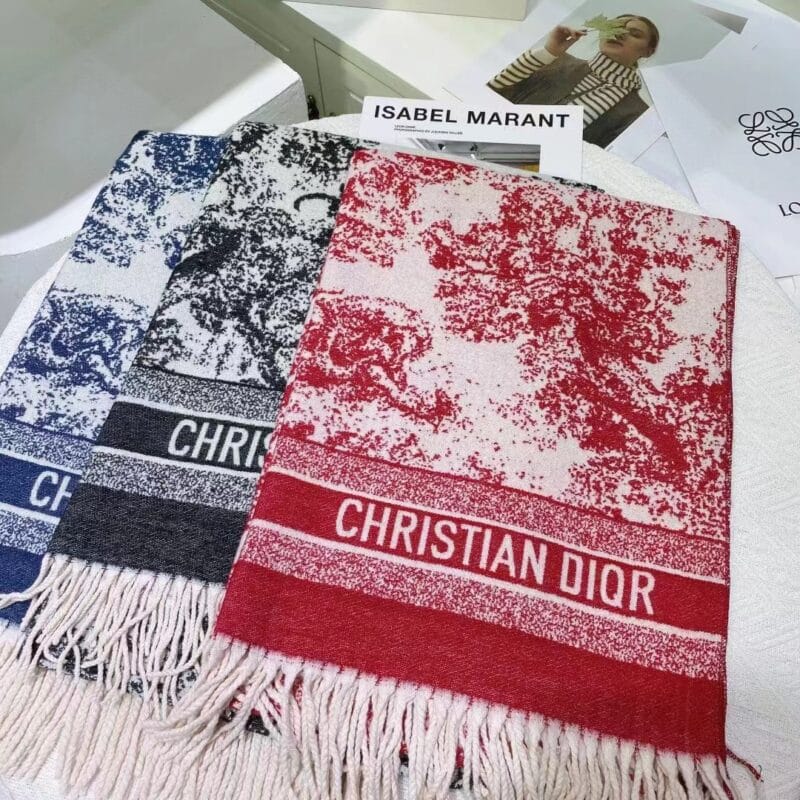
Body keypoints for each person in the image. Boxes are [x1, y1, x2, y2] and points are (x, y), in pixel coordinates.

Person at [488, 15, 659, 148]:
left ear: (648, 51)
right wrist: (549, 52)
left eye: (635, 34)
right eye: (613, 27)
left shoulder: (637, 113)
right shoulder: (554, 60)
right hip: (491, 140)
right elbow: (492, 91)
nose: (619, 33)